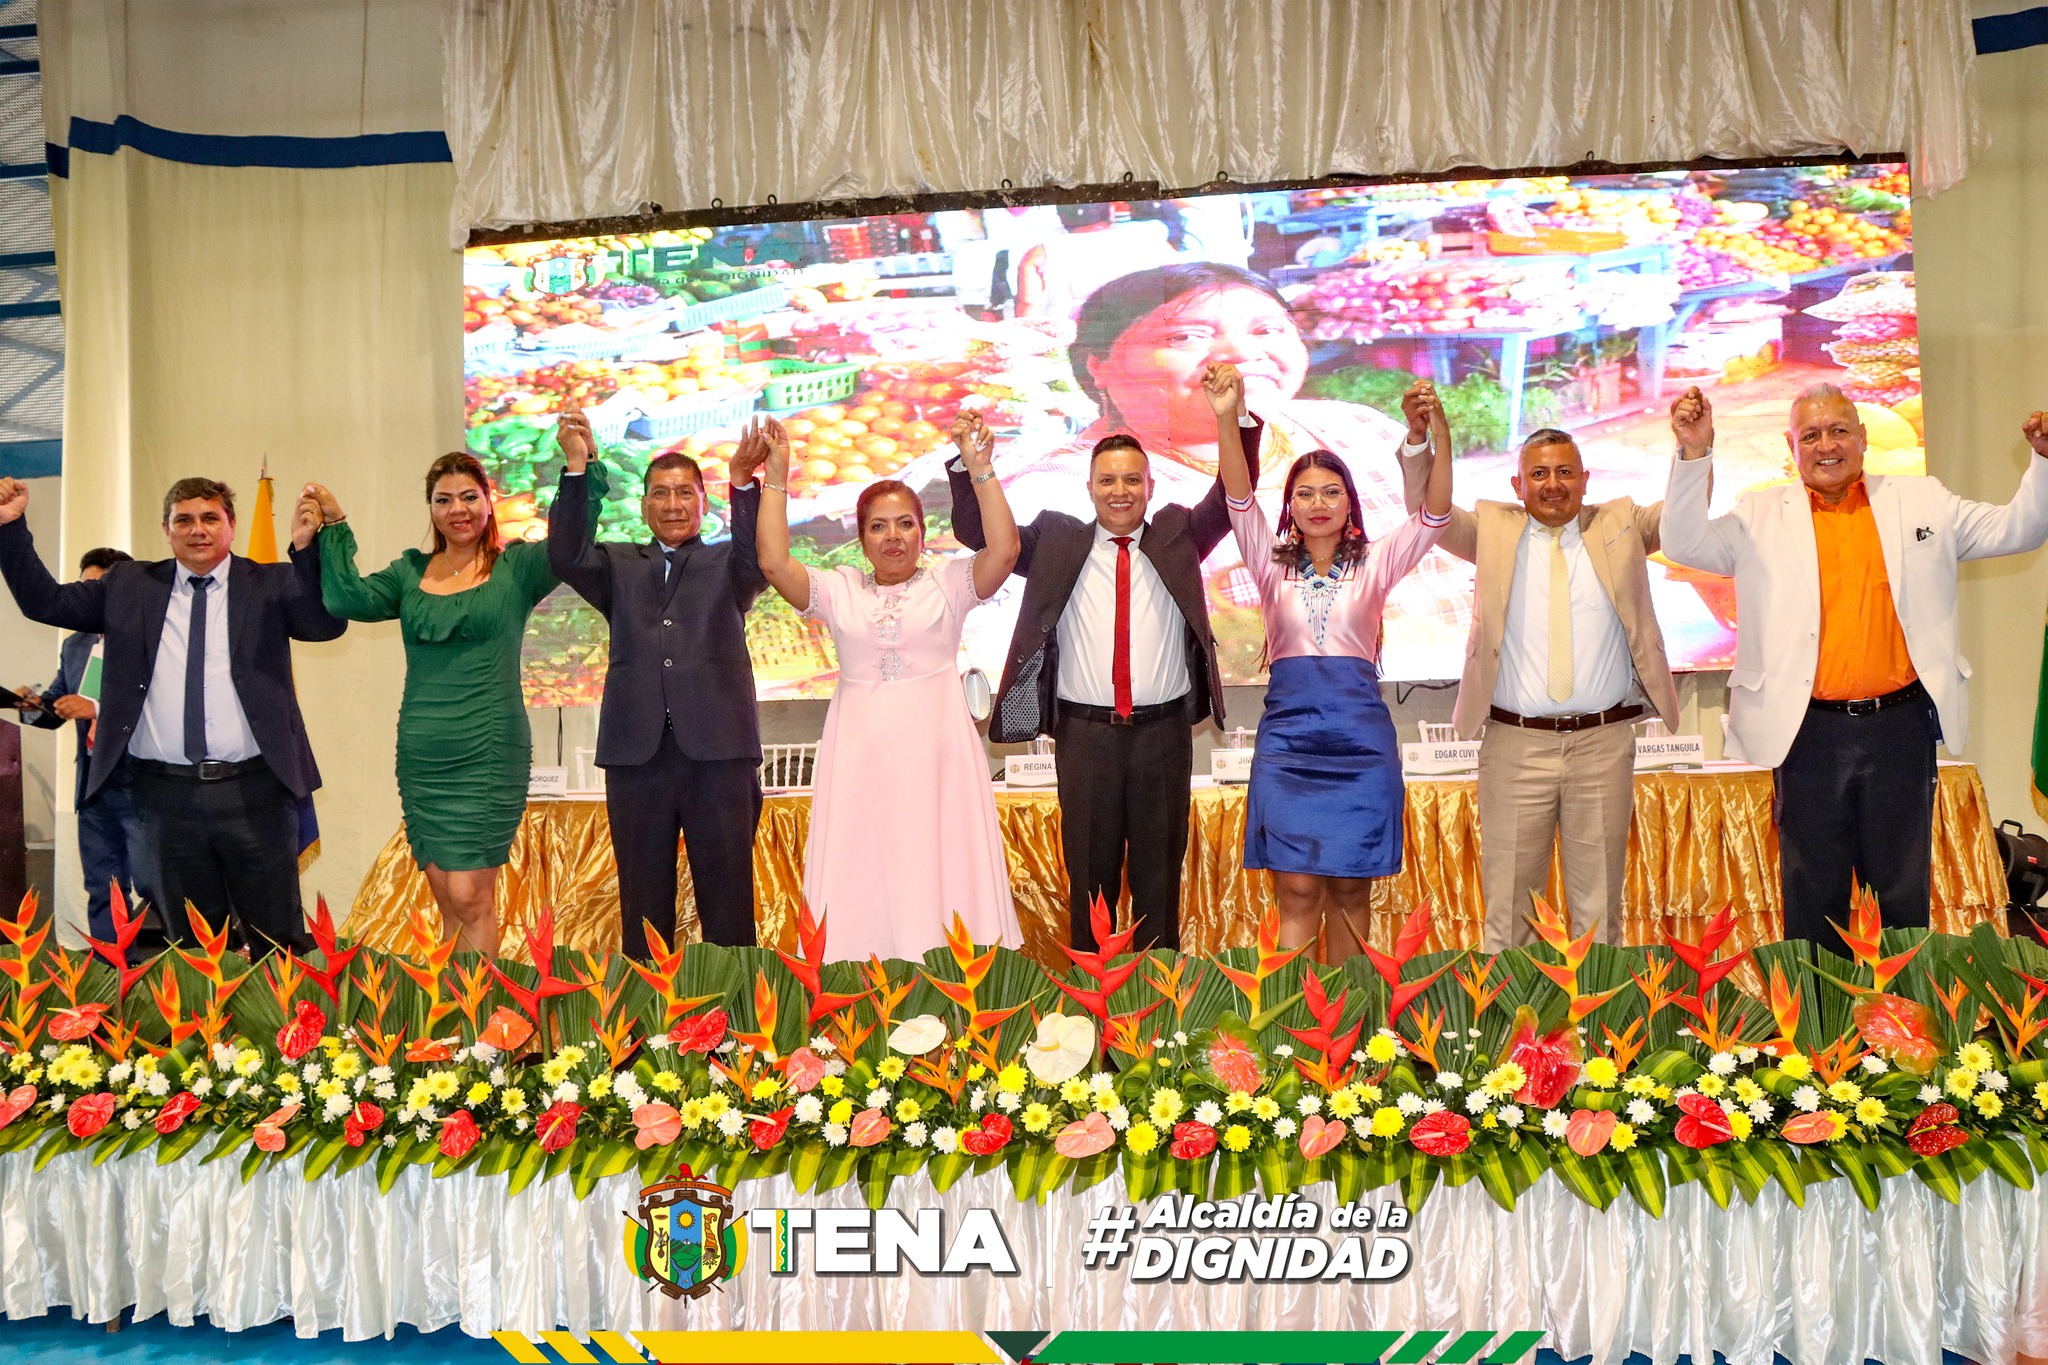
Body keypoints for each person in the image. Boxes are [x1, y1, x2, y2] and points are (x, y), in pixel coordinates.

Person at [1662, 384, 2048, 948]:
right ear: (1791, 447)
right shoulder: (1759, 515)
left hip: (1900, 727)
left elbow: (2021, 528)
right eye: (1811, 435)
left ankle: (1898, 1008)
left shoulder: (1922, 500)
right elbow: (1683, 543)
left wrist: (2043, 461)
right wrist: (1694, 452)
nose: (1827, 446)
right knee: (1812, 894)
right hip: (1807, 731)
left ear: (1863, 438)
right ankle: (1819, 1009)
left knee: (1901, 893)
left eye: (1839, 431)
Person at [990, 263, 1468, 681]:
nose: (1239, 352)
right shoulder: (1058, 492)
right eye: (1185, 336)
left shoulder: (1359, 427)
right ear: (1098, 364)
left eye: (1267, 330)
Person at [0, 476, 342, 956]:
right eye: (184, 520)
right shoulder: (129, 585)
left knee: (276, 943)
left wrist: (307, 552)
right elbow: (45, 602)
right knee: (192, 951)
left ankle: (279, 1007)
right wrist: (10, 527)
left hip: (256, 792)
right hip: (165, 799)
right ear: (166, 529)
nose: (197, 529)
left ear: (231, 525)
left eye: (210, 518)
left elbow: (325, 624)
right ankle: (202, 1009)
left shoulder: (270, 582)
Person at [952, 408, 1249, 955]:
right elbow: (978, 534)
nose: (1120, 492)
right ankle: (1095, 1007)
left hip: (1163, 737)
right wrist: (973, 466)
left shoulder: (1179, 534)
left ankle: (1159, 1007)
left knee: (1160, 886)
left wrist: (1232, 418)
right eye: (1107, 481)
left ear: (1151, 487)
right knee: (1090, 885)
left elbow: (1232, 493)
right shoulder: (1057, 541)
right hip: (1084, 739)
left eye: (1132, 480)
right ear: (1088, 488)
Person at [1395, 383, 1679, 950]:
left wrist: (1693, 451)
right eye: (1540, 474)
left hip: (1602, 745)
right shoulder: (1491, 529)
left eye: (1565, 472)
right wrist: (1422, 440)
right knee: (1509, 918)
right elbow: (1428, 513)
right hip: (1514, 746)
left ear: (1585, 479)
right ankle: (1513, 1013)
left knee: (1599, 919)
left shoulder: (1621, 524)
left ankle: (1598, 1013)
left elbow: (1685, 520)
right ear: (1517, 484)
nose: (1553, 484)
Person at [755, 412, 1022, 962]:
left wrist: (980, 468)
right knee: (862, 868)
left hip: (938, 759)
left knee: (940, 862)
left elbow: (1005, 551)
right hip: (860, 759)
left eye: (905, 524)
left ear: (923, 534)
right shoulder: (840, 589)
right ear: (861, 539)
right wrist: (776, 477)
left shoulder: (949, 583)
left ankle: (952, 979)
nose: (893, 536)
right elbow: (774, 562)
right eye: (878, 526)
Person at [1206, 362, 1451, 960]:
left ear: (1350, 502)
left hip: (1361, 747)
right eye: (1306, 493)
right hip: (1288, 745)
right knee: (1295, 889)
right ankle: (1288, 1015)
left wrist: (1436, 431)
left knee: (1349, 888)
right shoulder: (1269, 562)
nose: (1319, 503)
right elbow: (1238, 498)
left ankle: (1350, 1013)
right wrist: (1226, 418)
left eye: (1331, 492)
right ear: (1290, 505)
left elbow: (1436, 515)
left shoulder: (1378, 561)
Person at [304, 452, 581, 955]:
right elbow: (345, 600)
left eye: (469, 497)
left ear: (489, 502)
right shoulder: (409, 573)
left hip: (488, 751)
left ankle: (480, 1006)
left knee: (470, 895)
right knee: (448, 901)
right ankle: (459, 1003)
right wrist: (337, 526)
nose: (458, 509)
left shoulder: (517, 567)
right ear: (430, 509)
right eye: (443, 500)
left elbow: (573, 543)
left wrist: (578, 466)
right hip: (423, 756)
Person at [547, 409, 769, 955]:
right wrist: (578, 469)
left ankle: (736, 1009)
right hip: (636, 756)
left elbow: (759, 555)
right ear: (644, 505)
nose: (673, 504)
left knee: (729, 905)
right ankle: (649, 1011)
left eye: (685, 493)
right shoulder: (618, 563)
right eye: (661, 494)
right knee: (643, 909)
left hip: (719, 754)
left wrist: (743, 483)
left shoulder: (730, 563)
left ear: (704, 503)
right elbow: (566, 555)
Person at [14, 548, 146, 942]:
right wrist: (34, 705)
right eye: (84, 586)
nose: (88, 595)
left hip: (145, 783)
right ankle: (112, 967)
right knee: (103, 888)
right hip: (93, 785)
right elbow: (58, 704)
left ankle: (183, 966)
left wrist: (97, 707)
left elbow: (165, 702)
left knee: (159, 884)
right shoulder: (75, 644)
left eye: (98, 586)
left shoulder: (150, 637)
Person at [1012, 202, 1181, 323]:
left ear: (1061, 217)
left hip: (1070, 339)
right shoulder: (1148, 236)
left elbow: (1029, 304)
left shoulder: (1042, 251)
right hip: (1135, 331)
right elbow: (1179, 281)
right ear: (1110, 210)